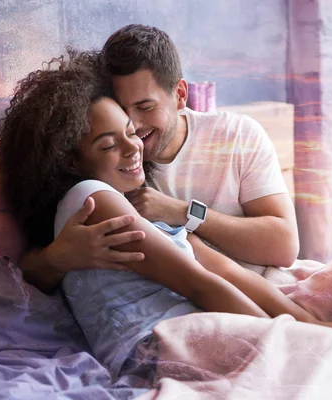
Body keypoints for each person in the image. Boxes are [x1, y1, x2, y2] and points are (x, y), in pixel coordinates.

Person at [0, 49, 332, 386]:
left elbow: (228, 272)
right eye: (110, 144)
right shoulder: (91, 200)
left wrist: (317, 328)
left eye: (133, 128)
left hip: (192, 331)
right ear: (70, 159)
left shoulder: (144, 200)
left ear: (179, 95)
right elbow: (199, 284)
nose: (135, 145)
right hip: (158, 346)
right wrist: (300, 344)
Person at [17, 24, 300, 294]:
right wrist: (58, 259)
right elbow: (31, 268)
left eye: (145, 107)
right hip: (191, 307)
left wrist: (183, 212)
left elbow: (285, 246)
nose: (134, 125)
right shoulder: (106, 165)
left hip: (270, 287)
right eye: (122, 109)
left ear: (179, 95)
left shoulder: (237, 135)